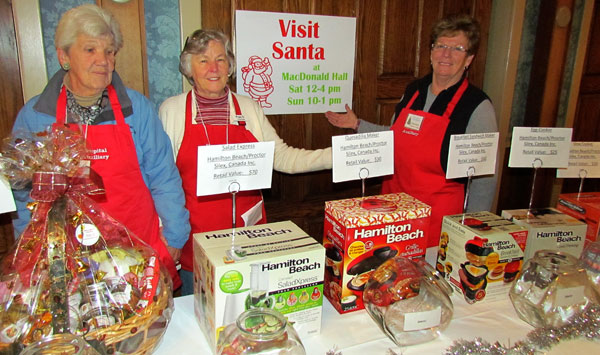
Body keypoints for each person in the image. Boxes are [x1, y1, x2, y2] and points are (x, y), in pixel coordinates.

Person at [11, 4, 190, 289]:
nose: (103, 60)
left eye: (109, 51)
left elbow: (164, 177)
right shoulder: (35, 115)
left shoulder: (137, 109)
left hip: (138, 251)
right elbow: (23, 196)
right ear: (64, 56)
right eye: (90, 50)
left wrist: (175, 237)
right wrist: (32, 253)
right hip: (68, 260)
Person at [159, 29, 332, 295]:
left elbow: (283, 157)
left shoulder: (249, 107)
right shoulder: (172, 110)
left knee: (251, 312)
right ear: (188, 68)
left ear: (230, 66)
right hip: (197, 239)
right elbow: (161, 181)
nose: (213, 68)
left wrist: (336, 156)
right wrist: (165, 234)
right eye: (203, 60)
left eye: (221, 59)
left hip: (251, 237)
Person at [326, 14, 498, 256]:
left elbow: (484, 179)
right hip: (393, 210)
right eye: (441, 46)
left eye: (457, 48)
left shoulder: (477, 106)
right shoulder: (414, 90)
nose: (446, 54)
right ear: (430, 52)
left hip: (437, 222)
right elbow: (397, 137)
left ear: (469, 59)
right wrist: (358, 124)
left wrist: (470, 232)